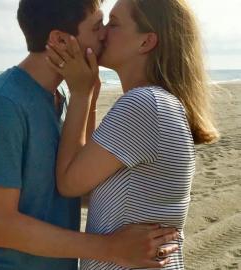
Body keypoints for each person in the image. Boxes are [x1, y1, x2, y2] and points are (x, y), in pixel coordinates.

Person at [0, 0, 180, 269]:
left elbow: (76, 188)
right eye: (97, 26)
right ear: (60, 39)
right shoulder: (2, 103)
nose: (105, 33)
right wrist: (111, 248)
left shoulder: (62, 98)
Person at [45, 0, 219, 269]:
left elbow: (69, 184)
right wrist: (89, 94)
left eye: (113, 24)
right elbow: (87, 186)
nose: (102, 32)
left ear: (146, 42)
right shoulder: (160, 104)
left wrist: (80, 94)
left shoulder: (144, 105)